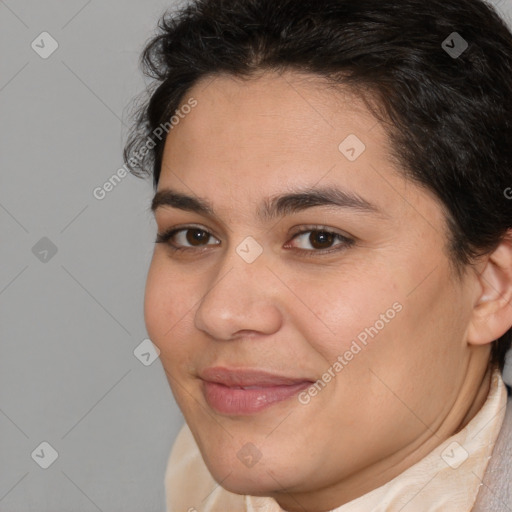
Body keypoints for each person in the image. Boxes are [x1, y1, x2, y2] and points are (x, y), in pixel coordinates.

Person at [123, 0, 512, 510]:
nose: (220, 313)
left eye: (318, 239)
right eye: (194, 236)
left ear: (491, 286)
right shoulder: (200, 484)